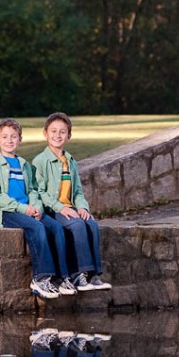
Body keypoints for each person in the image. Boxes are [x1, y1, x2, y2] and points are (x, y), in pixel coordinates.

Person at [0, 117, 77, 299]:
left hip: (27, 209)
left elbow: (32, 189)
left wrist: (37, 207)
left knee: (56, 227)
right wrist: (23, 209)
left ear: (20, 139)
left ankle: (61, 277)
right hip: (5, 212)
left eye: (14, 137)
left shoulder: (24, 164)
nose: (9, 140)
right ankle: (40, 278)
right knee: (36, 227)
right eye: (5, 137)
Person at [33, 112, 111, 291]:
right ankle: (77, 275)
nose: (57, 135)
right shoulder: (40, 161)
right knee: (77, 225)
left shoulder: (70, 162)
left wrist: (82, 207)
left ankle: (94, 275)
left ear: (69, 136)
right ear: (45, 134)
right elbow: (40, 192)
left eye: (62, 132)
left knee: (90, 223)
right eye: (53, 131)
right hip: (52, 209)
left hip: (70, 208)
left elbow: (77, 191)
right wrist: (61, 208)